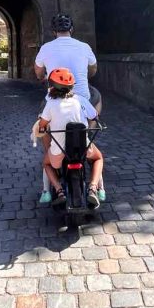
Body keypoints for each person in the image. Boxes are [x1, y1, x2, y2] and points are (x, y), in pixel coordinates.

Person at [34, 14, 104, 203]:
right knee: (96, 98)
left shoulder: (46, 48)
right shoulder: (84, 46)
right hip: (82, 96)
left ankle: (51, 154)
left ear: (53, 31)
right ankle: (86, 138)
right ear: (72, 30)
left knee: (45, 122)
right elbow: (93, 69)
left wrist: (43, 76)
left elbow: (39, 72)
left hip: (53, 97)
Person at [37, 68, 104, 210]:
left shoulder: (50, 104)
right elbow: (94, 116)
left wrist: (43, 128)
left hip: (60, 150)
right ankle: (93, 187)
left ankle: (59, 190)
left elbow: (42, 124)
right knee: (98, 158)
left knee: (46, 164)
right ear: (71, 86)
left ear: (52, 87)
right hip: (82, 148)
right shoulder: (80, 100)